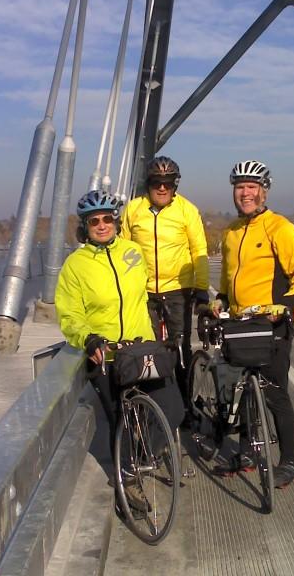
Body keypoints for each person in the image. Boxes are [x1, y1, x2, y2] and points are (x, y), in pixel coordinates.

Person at [55, 189, 185, 465]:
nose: (102, 225)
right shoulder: (75, 266)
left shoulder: (133, 252)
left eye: (107, 219)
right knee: (119, 424)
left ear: (115, 221)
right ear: (85, 227)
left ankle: (146, 452)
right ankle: (126, 482)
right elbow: (70, 313)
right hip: (107, 354)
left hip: (141, 348)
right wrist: (87, 339)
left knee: (173, 409)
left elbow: (148, 292)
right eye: (94, 221)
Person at [209, 160, 294, 488]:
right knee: (236, 392)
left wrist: (284, 306)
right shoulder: (231, 232)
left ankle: (289, 461)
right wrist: (221, 300)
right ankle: (246, 452)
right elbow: (229, 278)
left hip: (272, 327)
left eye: (252, 187)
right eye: (240, 187)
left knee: (274, 394)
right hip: (239, 326)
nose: (245, 193)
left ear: (264, 191)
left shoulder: (280, 227)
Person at [120, 156, 209, 403]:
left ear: (174, 185)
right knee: (150, 348)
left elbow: (199, 250)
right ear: (148, 184)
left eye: (167, 183)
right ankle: (158, 399)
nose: (162, 188)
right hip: (144, 290)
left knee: (179, 348)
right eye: (157, 182)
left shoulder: (187, 210)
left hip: (178, 290)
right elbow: (123, 250)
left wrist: (201, 288)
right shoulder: (133, 210)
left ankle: (186, 401)